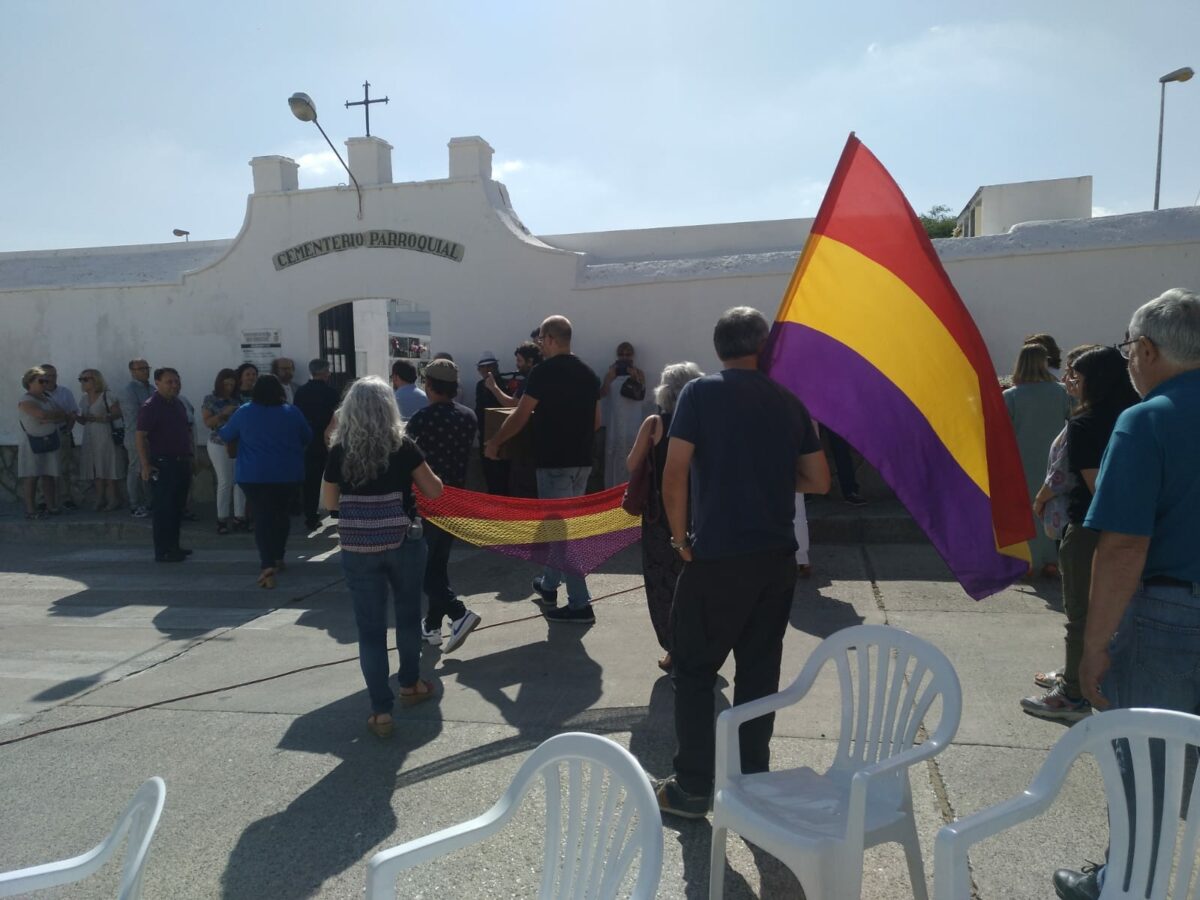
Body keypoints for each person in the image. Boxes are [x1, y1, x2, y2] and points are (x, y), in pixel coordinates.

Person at [654, 306, 830, 818]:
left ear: (718, 349)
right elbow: (818, 480)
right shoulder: (789, 398)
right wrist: (771, 481)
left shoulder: (700, 392)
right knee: (758, 670)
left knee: (693, 669)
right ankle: (753, 778)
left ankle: (692, 787)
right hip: (774, 558)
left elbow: (675, 471)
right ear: (764, 348)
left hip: (717, 557)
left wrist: (680, 540)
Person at [1053, 289, 1200, 900]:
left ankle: (1126, 883)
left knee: (1148, 768)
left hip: (1169, 615)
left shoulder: (1147, 419)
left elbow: (1121, 549)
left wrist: (1092, 649)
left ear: (1144, 349)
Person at [1020, 346, 1138, 725]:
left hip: (1089, 528)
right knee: (1114, 615)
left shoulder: (1087, 424)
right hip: (1133, 530)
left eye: (1077, 375)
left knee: (1080, 616)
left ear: (1095, 382)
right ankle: (1080, 676)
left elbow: (1096, 485)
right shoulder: (1134, 416)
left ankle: (1072, 693)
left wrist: (1042, 498)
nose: (1070, 380)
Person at [322, 376, 444, 738]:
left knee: (370, 630)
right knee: (407, 618)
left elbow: (329, 503)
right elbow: (434, 491)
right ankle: (410, 684)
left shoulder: (339, 450)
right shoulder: (402, 445)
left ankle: (380, 711)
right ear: (389, 407)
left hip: (358, 547)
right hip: (402, 540)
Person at [485, 316, 602, 623]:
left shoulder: (543, 372)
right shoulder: (589, 374)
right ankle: (549, 586)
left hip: (554, 464)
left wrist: (495, 442)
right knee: (562, 529)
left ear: (550, 338)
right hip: (582, 463)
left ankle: (580, 604)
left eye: (540, 340)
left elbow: (521, 414)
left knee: (562, 535)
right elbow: (597, 421)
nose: (539, 345)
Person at [625, 361, 703, 672]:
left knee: (662, 585)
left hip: (660, 517)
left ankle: (674, 648)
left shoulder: (655, 424)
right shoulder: (703, 423)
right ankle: (699, 646)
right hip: (699, 512)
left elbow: (633, 464)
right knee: (697, 583)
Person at [405, 358, 482, 653]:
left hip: (425, 500)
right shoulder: (468, 416)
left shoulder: (422, 419)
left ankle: (458, 612)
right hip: (454, 500)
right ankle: (433, 626)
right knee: (437, 564)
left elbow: (408, 458)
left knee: (422, 568)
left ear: (430, 386)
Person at [218, 374, 310, 589]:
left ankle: (266, 563)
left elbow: (225, 435)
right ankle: (278, 556)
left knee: (262, 517)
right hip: (287, 474)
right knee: (281, 515)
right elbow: (307, 436)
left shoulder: (244, 412)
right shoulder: (292, 412)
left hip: (253, 475)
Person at [1003, 343, 1072, 576]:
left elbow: (1002, 431)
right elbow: (1075, 418)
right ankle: (1052, 560)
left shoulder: (1011, 396)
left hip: (1020, 460)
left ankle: (1029, 561)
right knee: (1050, 506)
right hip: (1054, 461)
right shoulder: (1061, 392)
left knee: (1025, 510)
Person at [135, 367, 193, 562]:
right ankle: (163, 550)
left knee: (177, 507)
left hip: (181, 462)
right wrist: (145, 465)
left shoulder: (178, 404)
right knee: (164, 509)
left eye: (177, 381)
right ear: (157, 383)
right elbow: (141, 436)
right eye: (169, 382)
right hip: (163, 463)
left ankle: (174, 545)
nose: (174, 385)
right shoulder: (151, 406)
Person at [292, 358, 340, 532]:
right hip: (330, 440)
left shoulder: (301, 392)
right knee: (334, 477)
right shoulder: (332, 393)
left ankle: (310, 516)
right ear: (326, 372)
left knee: (310, 482)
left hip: (308, 441)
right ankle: (335, 511)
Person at [17, 367, 67, 518]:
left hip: (50, 439)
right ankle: (31, 510)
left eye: (47, 380)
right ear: (30, 382)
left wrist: (48, 418)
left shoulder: (48, 398)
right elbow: (40, 414)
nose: (45, 383)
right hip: (32, 443)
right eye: (41, 381)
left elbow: (62, 413)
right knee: (31, 476)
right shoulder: (26, 400)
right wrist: (50, 416)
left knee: (49, 474)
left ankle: (51, 506)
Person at [201, 368, 245, 534]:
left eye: (232, 384)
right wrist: (222, 414)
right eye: (226, 384)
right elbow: (207, 422)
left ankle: (239, 517)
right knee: (225, 481)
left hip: (238, 443)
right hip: (218, 443)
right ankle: (222, 519)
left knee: (239, 481)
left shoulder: (238, 399)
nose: (229, 387)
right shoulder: (210, 399)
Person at [75, 368, 126, 511]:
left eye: (86, 379)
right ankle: (100, 498)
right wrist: (75, 417)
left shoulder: (107, 396)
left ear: (95, 380)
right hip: (90, 436)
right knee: (96, 468)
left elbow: (117, 414)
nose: (83, 382)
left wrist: (98, 418)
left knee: (108, 466)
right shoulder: (84, 399)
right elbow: (84, 420)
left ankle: (113, 499)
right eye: (81, 379)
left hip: (105, 435)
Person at [600, 342, 647, 489]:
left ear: (632, 356)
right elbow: (602, 394)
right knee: (614, 457)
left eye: (628, 354)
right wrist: (609, 379)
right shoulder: (610, 373)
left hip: (633, 423)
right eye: (621, 354)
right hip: (615, 422)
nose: (624, 357)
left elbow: (641, 395)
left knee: (632, 455)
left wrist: (635, 378)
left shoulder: (639, 373)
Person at [39, 364, 80, 511]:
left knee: (63, 468)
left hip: (61, 433)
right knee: (44, 468)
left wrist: (67, 431)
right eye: (48, 376)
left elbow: (73, 413)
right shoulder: (37, 395)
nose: (51, 378)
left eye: (54, 375)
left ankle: (65, 498)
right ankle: (44, 499)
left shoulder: (65, 392)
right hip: (43, 435)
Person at [120, 359, 154, 518]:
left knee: (148, 469)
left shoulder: (152, 388)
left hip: (152, 437)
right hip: (135, 435)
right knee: (135, 469)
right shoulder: (129, 390)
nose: (145, 371)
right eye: (141, 369)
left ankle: (149, 502)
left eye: (146, 368)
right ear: (132, 371)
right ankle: (134, 503)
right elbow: (135, 415)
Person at [475, 350, 510, 495]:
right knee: (493, 476)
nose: (485, 370)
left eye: (488, 367)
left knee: (498, 476)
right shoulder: (481, 385)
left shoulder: (500, 384)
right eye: (483, 367)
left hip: (499, 436)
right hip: (493, 435)